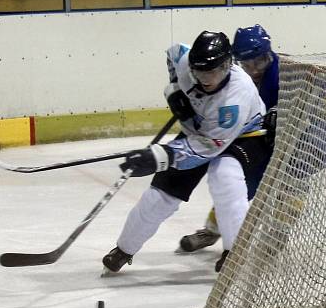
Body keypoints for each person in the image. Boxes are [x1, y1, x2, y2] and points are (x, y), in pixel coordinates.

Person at [101, 30, 269, 274]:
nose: (206, 79)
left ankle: (235, 253)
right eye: (199, 72)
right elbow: (173, 52)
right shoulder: (185, 59)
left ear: (227, 65)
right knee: (159, 196)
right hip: (201, 131)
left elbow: (207, 148)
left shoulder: (235, 97)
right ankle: (124, 249)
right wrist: (175, 90)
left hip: (242, 137)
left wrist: (161, 157)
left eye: (213, 72)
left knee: (226, 179)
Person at [177, 24, 279, 253]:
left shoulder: (284, 72)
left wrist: (281, 116)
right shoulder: (235, 79)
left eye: (259, 62)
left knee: (292, 182)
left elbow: (310, 104)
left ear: (268, 54)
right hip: (265, 137)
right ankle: (212, 231)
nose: (254, 69)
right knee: (238, 184)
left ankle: (277, 237)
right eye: (247, 64)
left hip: (312, 134)